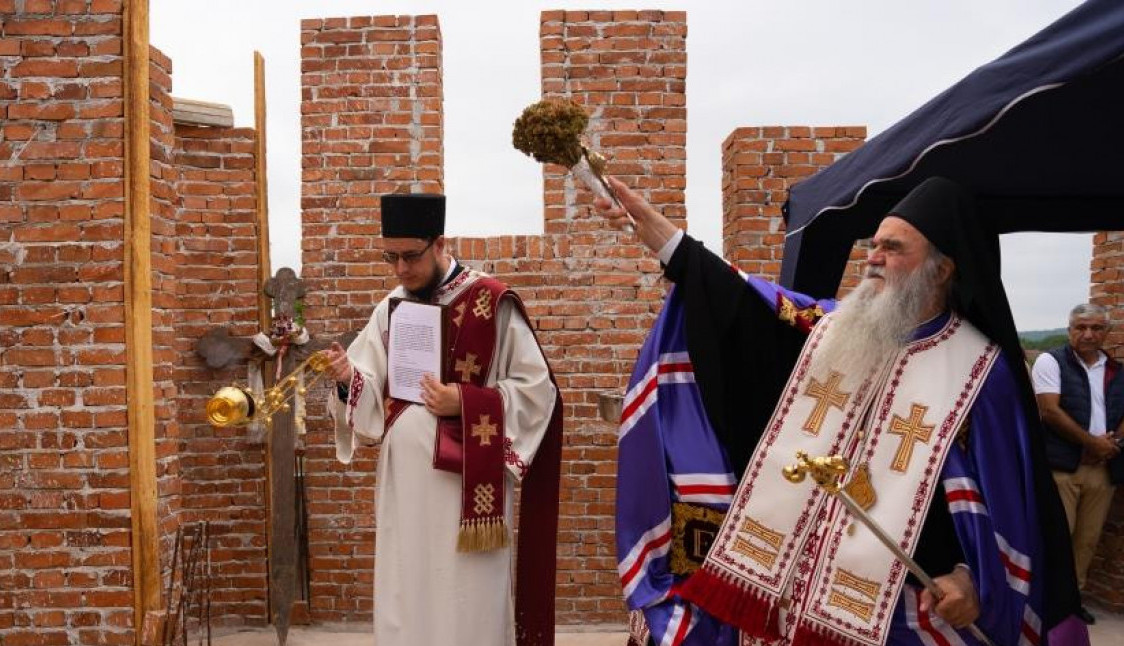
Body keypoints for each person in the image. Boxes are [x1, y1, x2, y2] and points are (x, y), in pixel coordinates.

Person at [600, 177, 1088, 645]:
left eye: (893, 248)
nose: (872, 258)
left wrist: (969, 578)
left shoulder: (981, 370)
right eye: (873, 245)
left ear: (942, 269)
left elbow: (1008, 499)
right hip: (795, 593)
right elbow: (742, 300)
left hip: (904, 606)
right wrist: (662, 236)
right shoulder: (833, 327)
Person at [321, 192, 563, 646]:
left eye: (410, 256)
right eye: (390, 257)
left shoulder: (491, 303)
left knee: (465, 596)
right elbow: (371, 391)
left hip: (467, 486)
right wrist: (348, 378)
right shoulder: (391, 308)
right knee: (407, 588)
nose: (401, 270)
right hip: (406, 486)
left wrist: (466, 401)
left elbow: (537, 391)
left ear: (440, 244)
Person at [1031, 303, 1124, 625]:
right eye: (1081, 327)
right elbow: (1049, 411)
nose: (1088, 334)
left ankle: (1072, 602)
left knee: (1086, 540)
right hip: (1063, 467)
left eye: (1097, 328)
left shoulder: (1117, 370)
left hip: (1103, 469)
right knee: (1056, 536)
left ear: (1106, 332)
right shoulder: (1050, 361)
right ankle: (1045, 602)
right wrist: (1091, 443)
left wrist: (1111, 446)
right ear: (1070, 330)